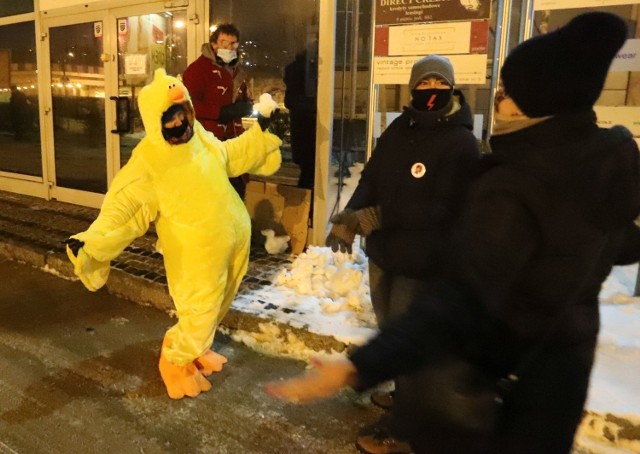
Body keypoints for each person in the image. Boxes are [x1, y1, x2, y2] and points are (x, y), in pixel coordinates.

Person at [266, 12, 640, 454]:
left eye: (507, 92)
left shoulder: (507, 178)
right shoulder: (589, 171)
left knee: (419, 346)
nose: (498, 100)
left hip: (498, 384)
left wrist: (356, 367)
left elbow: (458, 302)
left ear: (533, 103)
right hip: (555, 377)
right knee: (404, 335)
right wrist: (356, 213)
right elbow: (612, 244)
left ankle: (401, 421)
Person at [65, 68, 282, 400]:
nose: (179, 123)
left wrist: (262, 134)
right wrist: (93, 240)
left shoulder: (201, 140)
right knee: (199, 311)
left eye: (184, 113)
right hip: (195, 255)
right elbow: (123, 206)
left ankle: (197, 350)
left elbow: (231, 155)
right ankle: (174, 359)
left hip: (230, 243)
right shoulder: (149, 162)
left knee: (219, 304)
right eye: (170, 117)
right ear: (156, 120)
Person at [324, 54, 481, 453]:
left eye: (437, 85)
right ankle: (405, 394)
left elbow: (445, 207)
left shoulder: (462, 141)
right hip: (386, 255)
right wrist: (348, 217)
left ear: (451, 88)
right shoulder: (399, 128)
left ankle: (405, 429)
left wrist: (376, 215)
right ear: (412, 89)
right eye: (424, 85)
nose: (431, 92)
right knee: (391, 328)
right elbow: (373, 175)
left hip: (425, 262)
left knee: (410, 338)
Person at [183, 23, 253, 199]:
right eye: (223, 42)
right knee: (212, 196)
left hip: (235, 143)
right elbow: (187, 105)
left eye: (233, 44)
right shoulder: (197, 69)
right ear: (214, 44)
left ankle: (235, 226)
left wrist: (246, 106)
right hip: (209, 143)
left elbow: (242, 99)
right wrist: (220, 112)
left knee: (236, 194)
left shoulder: (237, 71)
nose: (228, 48)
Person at [284, 48, 318, 190]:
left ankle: (305, 204)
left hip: (300, 126)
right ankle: (307, 207)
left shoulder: (292, 70)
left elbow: (288, 101)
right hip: (309, 126)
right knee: (309, 173)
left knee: (306, 171)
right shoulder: (310, 71)